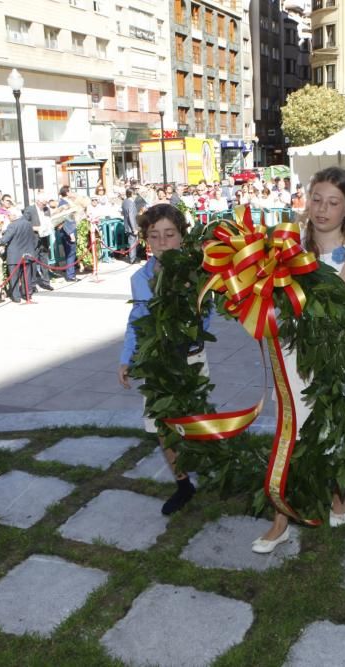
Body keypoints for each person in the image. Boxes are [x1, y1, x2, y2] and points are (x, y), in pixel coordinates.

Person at [254, 165, 345, 553]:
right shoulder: (288, 240)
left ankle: (338, 491)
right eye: (316, 199)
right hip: (291, 356)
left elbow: (334, 304)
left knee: (329, 434)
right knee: (288, 436)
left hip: (329, 356)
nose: (322, 209)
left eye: (333, 203)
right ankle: (281, 518)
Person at [119, 203, 209, 515]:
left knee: (196, 420)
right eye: (154, 236)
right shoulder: (140, 278)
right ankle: (183, 484)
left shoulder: (196, 275)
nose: (162, 242)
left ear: (182, 237)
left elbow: (204, 321)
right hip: (157, 362)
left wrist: (183, 289)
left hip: (191, 359)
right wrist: (126, 357)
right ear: (146, 240)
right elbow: (137, 318)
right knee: (163, 426)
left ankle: (210, 468)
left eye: (169, 234)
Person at [0, 206, 40, 302]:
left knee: (14, 278)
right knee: (27, 276)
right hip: (28, 253)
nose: (8, 217)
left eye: (9, 215)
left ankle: (16, 297)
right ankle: (27, 294)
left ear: (14, 215)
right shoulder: (28, 223)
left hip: (14, 255)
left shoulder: (12, 225)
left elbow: (4, 240)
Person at [122, 188, 140, 264]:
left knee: (131, 242)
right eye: (135, 194)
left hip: (127, 225)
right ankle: (132, 259)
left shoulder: (124, 201)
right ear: (132, 194)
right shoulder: (131, 203)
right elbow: (131, 216)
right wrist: (134, 229)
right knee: (132, 242)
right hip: (131, 226)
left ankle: (133, 257)